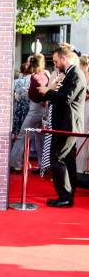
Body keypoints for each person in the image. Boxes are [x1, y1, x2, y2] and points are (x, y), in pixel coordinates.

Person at [37, 45, 86, 207]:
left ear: (64, 58)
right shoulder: (71, 74)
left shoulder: (76, 74)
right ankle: (67, 195)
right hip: (66, 125)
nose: (55, 64)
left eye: (57, 61)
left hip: (67, 125)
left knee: (58, 158)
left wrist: (47, 92)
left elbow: (66, 98)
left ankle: (65, 197)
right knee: (67, 160)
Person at [10, 54, 49, 171]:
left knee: (23, 134)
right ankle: (44, 166)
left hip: (36, 109)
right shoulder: (45, 75)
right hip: (41, 109)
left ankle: (15, 163)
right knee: (40, 137)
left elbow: (38, 93)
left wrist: (41, 99)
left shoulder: (37, 76)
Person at [11, 62, 31, 146]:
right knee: (27, 130)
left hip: (17, 107)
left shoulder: (15, 82)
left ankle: (15, 149)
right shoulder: (32, 81)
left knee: (16, 129)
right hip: (29, 108)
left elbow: (11, 95)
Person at [76, 55, 89, 174]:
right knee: (82, 136)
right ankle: (81, 168)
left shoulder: (82, 75)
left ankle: (83, 168)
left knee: (83, 136)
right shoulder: (81, 76)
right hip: (83, 108)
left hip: (86, 108)